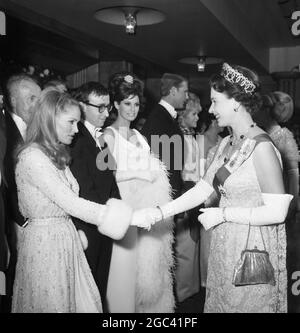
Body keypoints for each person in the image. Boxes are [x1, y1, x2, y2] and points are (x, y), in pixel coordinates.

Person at [137, 63, 293, 313]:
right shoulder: (226, 144)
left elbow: (277, 212)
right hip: (224, 248)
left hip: (251, 253)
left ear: (235, 102)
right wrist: (159, 212)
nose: (210, 109)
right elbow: (202, 189)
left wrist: (223, 214)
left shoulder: (262, 148)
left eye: (215, 101)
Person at [11, 89, 143, 313]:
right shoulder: (33, 157)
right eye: (71, 122)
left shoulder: (56, 154)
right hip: (46, 245)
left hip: (65, 239)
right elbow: (71, 202)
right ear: (50, 119)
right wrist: (127, 216)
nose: (76, 129)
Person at [103, 72, 174, 313]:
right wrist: (137, 174)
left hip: (148, 212)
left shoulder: (139, 136)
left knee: (151, 275)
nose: (132, 110)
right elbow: (107, 178)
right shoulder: (108, 136)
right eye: (127, 104)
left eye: (135, 104)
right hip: (126, 211)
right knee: (126, 278)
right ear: (115, 104)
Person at [69, 82, 121, 312]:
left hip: (106, 222)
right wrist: (108, 216)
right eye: (99, 107)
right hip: (89, 224)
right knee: (88, 291)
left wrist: (120, 211)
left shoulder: (99, 136)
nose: (106, 113)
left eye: (108, 107)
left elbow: (111, 178)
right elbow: (83, 188)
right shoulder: (74, 137)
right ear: (82, 106)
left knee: (100, 285)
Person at [3, 74, 41, 309]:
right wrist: (22, 221)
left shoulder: (36, 130)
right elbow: (6, 181)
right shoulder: (4, 129)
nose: (37, 104)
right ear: (13, 100)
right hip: (15, 223)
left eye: (39, 98)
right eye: (31, 99)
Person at [141, 73, 188, 200]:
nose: (187, 97)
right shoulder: (158, 118)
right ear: (173, 91)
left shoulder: (163, 115)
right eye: (185, 92)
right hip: (163, 195)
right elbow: (164, 164)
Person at [174, 92, 202, 303]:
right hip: (184, 198)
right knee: (184, 246)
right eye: (193, 113)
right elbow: (180, 174)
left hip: (194, 197)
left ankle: (190, 293)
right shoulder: (178, 138)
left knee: (192, 244)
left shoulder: (190, 137)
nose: (197, 118)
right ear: (182, 115)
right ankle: (184, 296)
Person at [196, 111, 224, 288]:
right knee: (207, 237)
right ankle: (206, 280)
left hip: (222, 192)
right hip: (206, 192)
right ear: (213, 121)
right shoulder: (200, 141)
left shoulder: (224, 140)